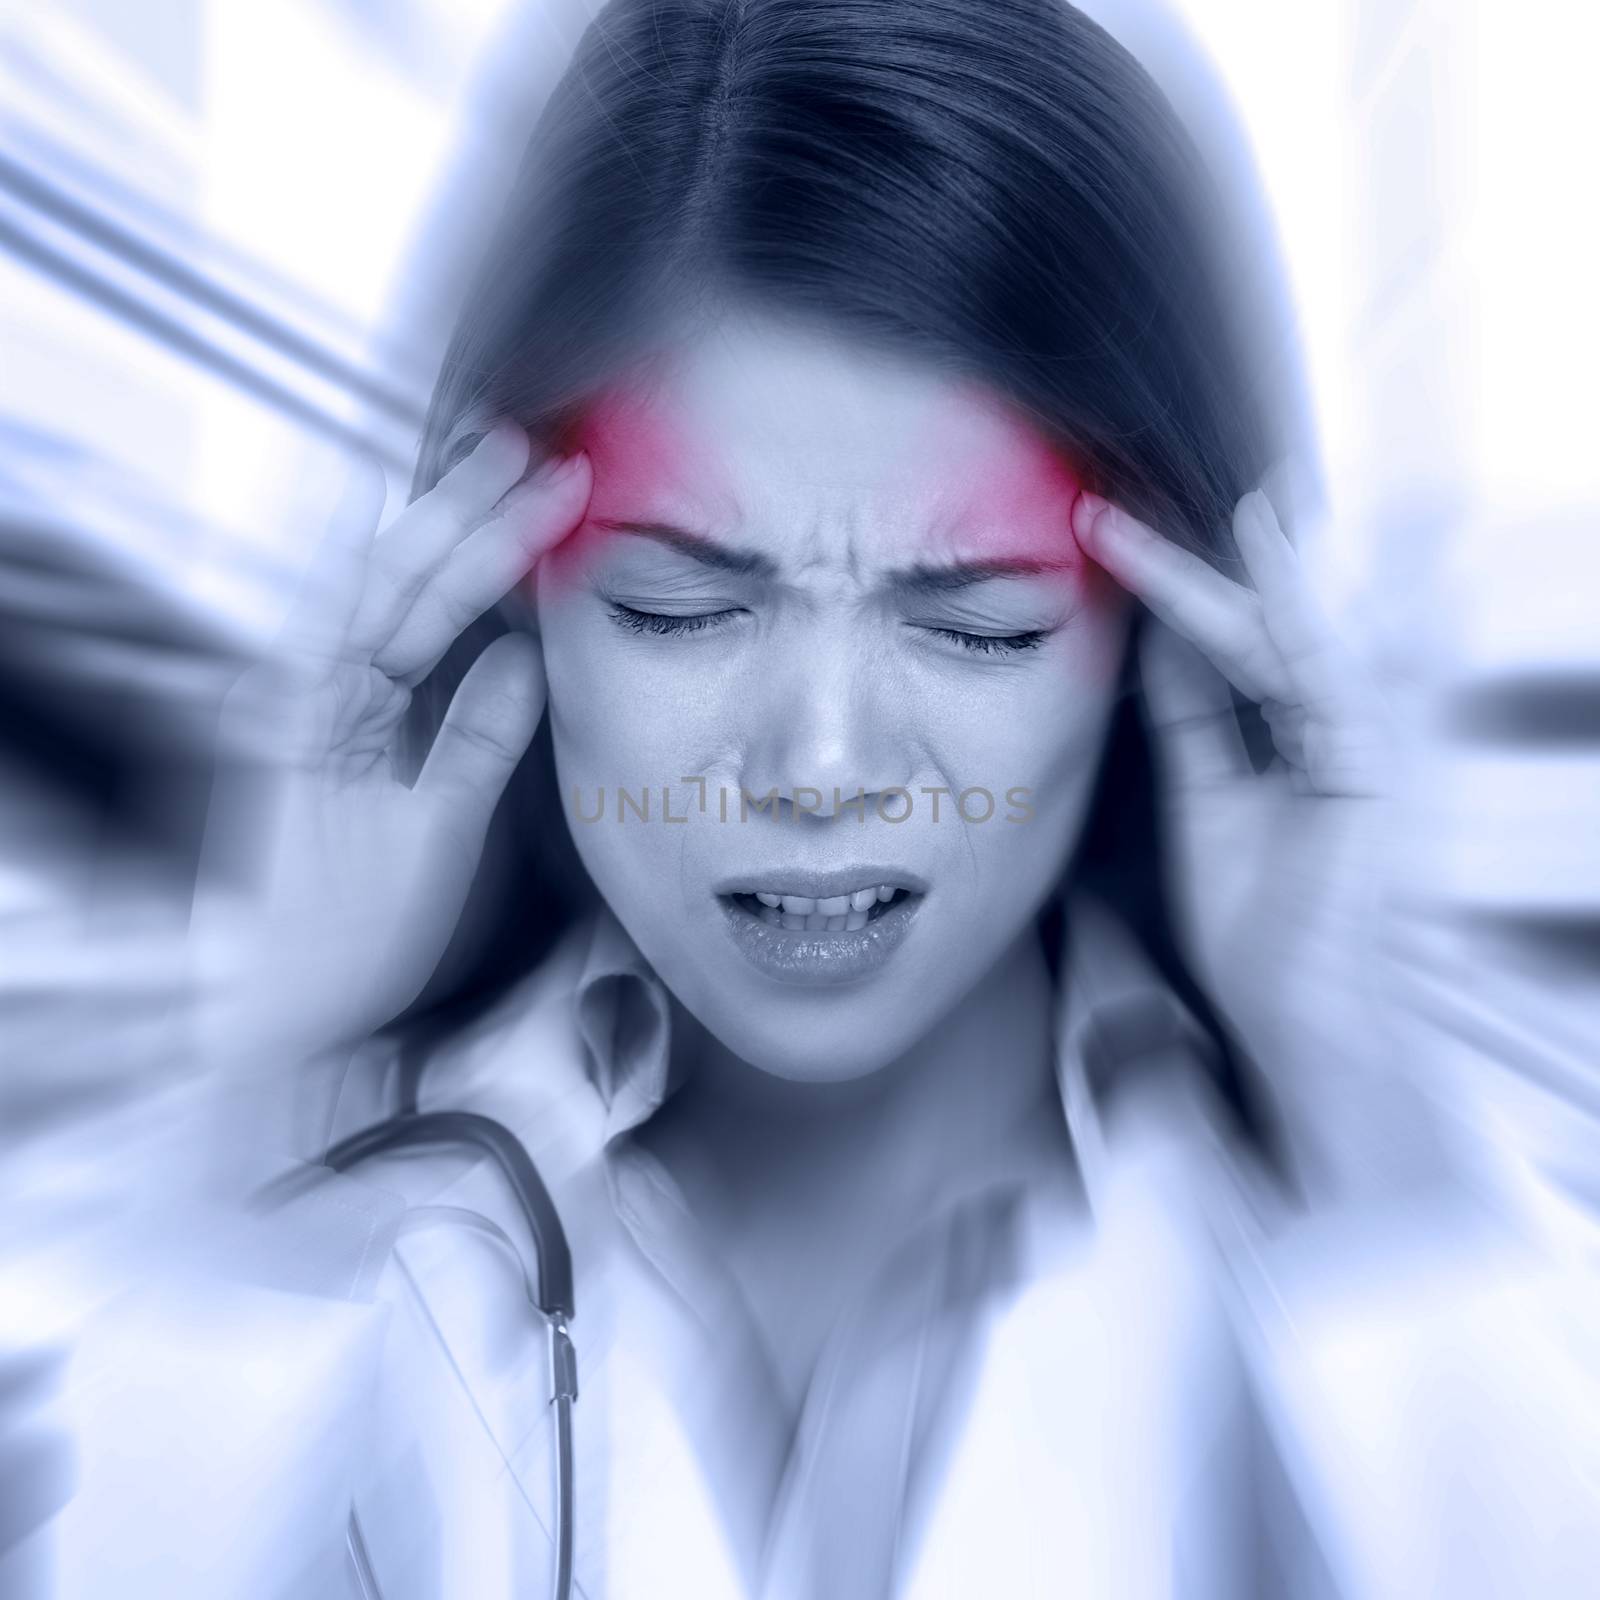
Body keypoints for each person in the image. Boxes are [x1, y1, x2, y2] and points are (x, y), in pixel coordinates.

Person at [46, 2, 1600, 1597]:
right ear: (500, 596)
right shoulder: (324, 1246)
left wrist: (1360, 1086)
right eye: (676, 606)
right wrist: (254, 1079)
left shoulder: (1372, 1260)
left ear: (1172, 629)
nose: (823, 768)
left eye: (979, 616)